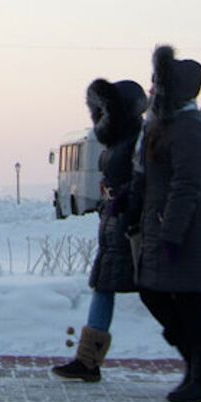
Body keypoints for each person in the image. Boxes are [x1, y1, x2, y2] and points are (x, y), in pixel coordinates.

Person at [136, 44, 201, 402]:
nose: (151, 91)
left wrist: (172, 234)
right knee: (154, 292)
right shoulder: (169, 126)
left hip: (190, 230)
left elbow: (186, 187)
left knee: (191, 303)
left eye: (156, 85)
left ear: (173, 90)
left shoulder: (189, 130)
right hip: (172, 225)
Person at [52, 77, 147, 382]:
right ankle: (88, 361)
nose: (102, 114)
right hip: (114, 222)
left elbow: (145, 180)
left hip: (132, 224)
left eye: (107, 108)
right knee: (104, 286)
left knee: (162, 295)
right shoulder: (118, 138)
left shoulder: (139, 137)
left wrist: (125, 201)